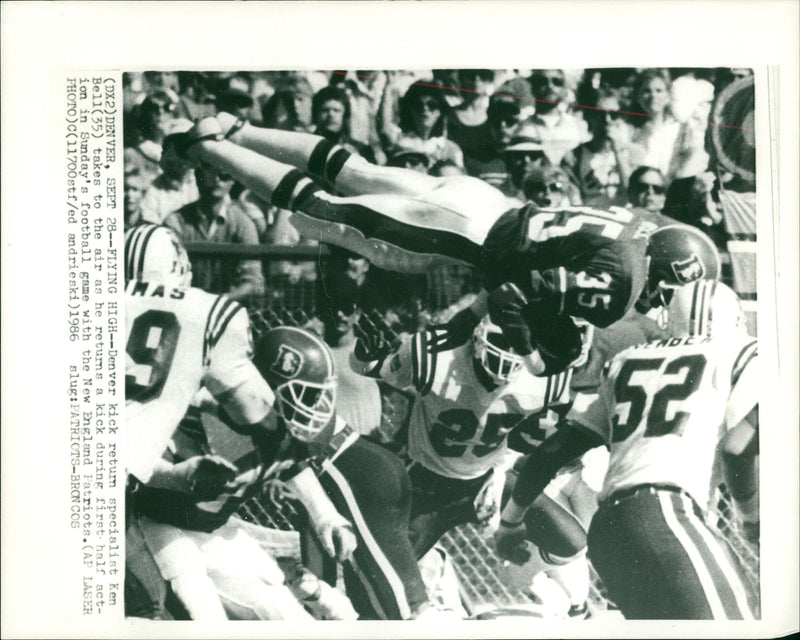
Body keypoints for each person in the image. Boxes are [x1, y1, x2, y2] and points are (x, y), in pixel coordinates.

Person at [173, 113, 663, 378]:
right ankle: (208, 148)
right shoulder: (620, 286)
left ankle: (237, 128)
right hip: (468, 236)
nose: (657, 303)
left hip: (484, 199)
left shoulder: (640, 223)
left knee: (353, 171)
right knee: (327, 215)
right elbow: (517, 294)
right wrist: (529, 352)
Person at [124, 223, 358, 617]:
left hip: (213, 531)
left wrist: (326, 517)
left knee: (287, 615)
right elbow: (140, 465)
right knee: (201, 613)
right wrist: (179, 476)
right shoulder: (203, 399)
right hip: (156, 523)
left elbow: (289, 461)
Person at [350, 315, 594, 615]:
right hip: (428, 485)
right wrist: (363, 355)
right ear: (477, 341)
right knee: (382, 585)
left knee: (571, 542)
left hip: (487, 480)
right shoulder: (437, 358)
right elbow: (375, 369)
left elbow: (555, 415)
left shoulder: (544, 378)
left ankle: (534, 588)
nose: (502, 370)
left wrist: (504, 465)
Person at [583, 281, 757, 619]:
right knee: (736, 623)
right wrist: (751, 519)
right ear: (735, 320)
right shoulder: (739, 353)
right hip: (666, 513)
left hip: (608, 527)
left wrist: (512, 520)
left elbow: (558, 448)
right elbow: (738, 448)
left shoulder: (627, 358)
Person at [250, 326, 448, 620]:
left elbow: (290, 444)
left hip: (351, 475)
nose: (316, 403)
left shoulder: (265, 402)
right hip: (349, 470)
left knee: (400, 607)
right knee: (335, 599)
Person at [164, 161, 265, 302]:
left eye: (224, 176)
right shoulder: (176, 221)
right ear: (198, 179)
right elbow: (166, 274)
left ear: (232, 182)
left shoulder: (243, 224)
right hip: (185, 304)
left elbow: (253, 281)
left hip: (227, 308)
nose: (217, 180)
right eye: (210, 175)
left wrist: (218, 302)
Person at [317, 273, 382, 439]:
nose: (339, 314)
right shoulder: (315, 354)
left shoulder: (370, 350)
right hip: (326, 456)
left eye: (346, 307)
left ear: (358, 313)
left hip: (366, 451)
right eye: (332, 307)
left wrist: (401, 439)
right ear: (322, 312)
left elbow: (413, 391)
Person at [563, 90, 633, 208]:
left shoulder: (633, 154)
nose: (607, 120)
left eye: (613, 115)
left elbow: (631, 190)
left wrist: (617, 151)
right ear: (590, 117)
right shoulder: (574, 157)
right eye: (600, 114)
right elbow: (573, 199)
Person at [378, 78, 463, 168]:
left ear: (439, 112)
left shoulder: (451, 149)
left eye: (431, 105)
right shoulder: (398, 139)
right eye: (418, 105)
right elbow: (385, 126)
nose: (425, 109)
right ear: (410, 110)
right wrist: (388, 88)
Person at [527, 69, 590, 166]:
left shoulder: (579, 126)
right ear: (533, 87)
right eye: (542, 82)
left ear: (564, 89)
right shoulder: (524, 126)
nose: (550, 86)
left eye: (557, 82)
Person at [140, 133, 199, 224]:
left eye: (185, 156)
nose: (183, 162)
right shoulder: (153, 190)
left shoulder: (199, 182)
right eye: (179, 155)